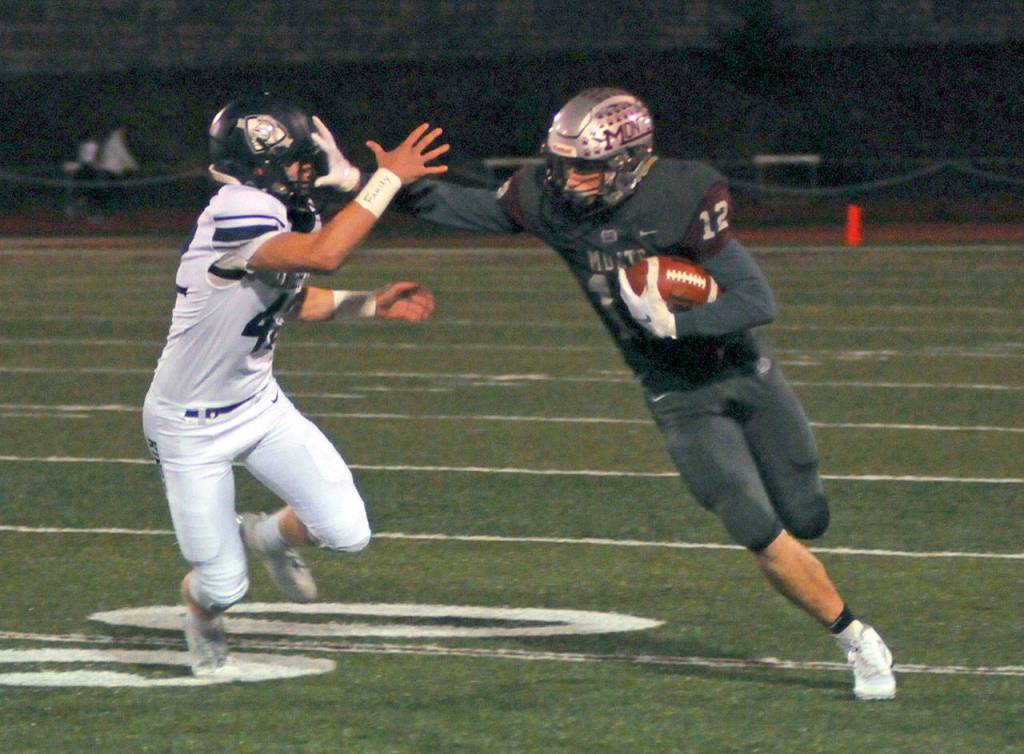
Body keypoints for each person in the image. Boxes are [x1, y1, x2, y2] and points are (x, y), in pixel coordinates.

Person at [391, 87, 895, 700]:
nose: (568, 180)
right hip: (675, 394)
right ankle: (855, 638)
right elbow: (455, 206)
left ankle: (814, 555)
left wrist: (678, 323)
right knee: (753, 525)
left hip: (744, 372)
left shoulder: (681, 195)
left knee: (807, 515)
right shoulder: (550, 201)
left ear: (628, 161)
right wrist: (370, 182)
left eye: (585, 167)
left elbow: (756, 301)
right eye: (562, 165)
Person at [142, 93, 448, 677]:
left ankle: (269, 537)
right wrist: (384, 180)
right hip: (188, 427)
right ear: (256, 163)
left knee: (347, 532)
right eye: (296, 162)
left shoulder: (277, 211)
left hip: (259, 407)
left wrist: (370, 304)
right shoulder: (236, 208)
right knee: (223, 586)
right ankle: (201, 615)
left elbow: (287, 297)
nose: (306, 173)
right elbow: (326, 255)